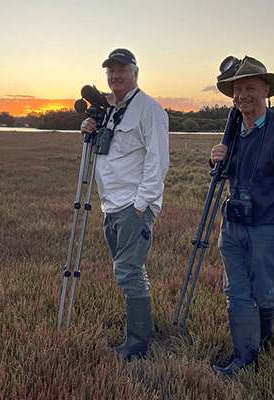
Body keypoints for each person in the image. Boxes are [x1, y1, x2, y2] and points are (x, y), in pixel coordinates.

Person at [209, 56, 274, 376]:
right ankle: (245, 357)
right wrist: (215, 161)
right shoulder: (233, 130)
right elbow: (225, 176)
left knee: (264, 291)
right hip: (232, 225)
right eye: (237, 89)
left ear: (266, 90)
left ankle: (264, 341)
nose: (242, 95)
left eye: (250, 88)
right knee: (236, 291)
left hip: (269, 227)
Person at [80, 48, 170, 360]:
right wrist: (89, 130)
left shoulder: (149, 108)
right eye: (110, 71)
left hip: (134, 205)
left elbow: (158, 160)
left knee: (130, 269)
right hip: (112, 205)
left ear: (135, 72)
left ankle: (137, 345)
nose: (115, 75)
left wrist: (141, 204)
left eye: (122, 69)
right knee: (126, 269)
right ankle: (136, 332)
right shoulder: (111, 110)